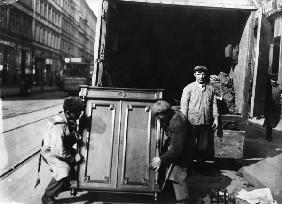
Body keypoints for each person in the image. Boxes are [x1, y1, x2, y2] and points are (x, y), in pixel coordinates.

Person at [149, 100, 195, 204]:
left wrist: (161, 159)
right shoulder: (170, 113)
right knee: (170, 171)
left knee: (177, 174)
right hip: (179, 144)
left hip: (185, 149)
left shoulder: (177, 122)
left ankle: (183, 200)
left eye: (158, 117)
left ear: (163, 114)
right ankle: (171, 195)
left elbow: (177, 149)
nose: (157, 119)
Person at [40, 96, 85, 204]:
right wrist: (73, 159)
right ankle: (47, 197)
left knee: (84, 158)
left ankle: (65, 184)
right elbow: (58, 150)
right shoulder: (59, 125)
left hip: (62, 149)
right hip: (51, 152)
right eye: (78, 112)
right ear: (69, 111)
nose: (79, 115)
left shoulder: (67, 118)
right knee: (64, 170)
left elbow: (69, 137)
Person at [180, 66, 219, 164]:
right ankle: (187, 167)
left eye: (203, 74)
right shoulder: (188, 88)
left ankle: (200, 167)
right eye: (198, 74)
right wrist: (184, 121)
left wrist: (216, 118)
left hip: (206, 122)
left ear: (205, 75)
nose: (201, 76)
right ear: (195, 75)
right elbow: (184, 107)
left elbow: (214, 104)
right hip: (192, 122)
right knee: (190, 145)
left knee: (203, 146)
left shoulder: (210, 89)